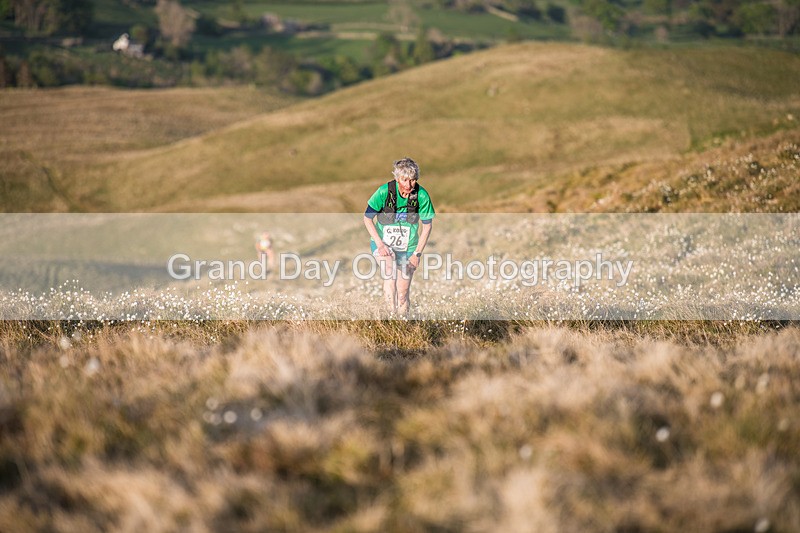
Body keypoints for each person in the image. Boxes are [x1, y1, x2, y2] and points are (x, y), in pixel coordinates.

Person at [363, 158, 435, 316]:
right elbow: (367, 218)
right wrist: (380, 244)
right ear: (397, 178)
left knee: (403, 293)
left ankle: (403, 324)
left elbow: (427, 226)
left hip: (408, 248)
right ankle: (390, 318)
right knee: (389, 272)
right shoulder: (384, 192)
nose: (409, 185)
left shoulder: (421, 196)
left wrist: (417, 254)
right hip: (383, 244)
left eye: (413, 180)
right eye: (404, 180)